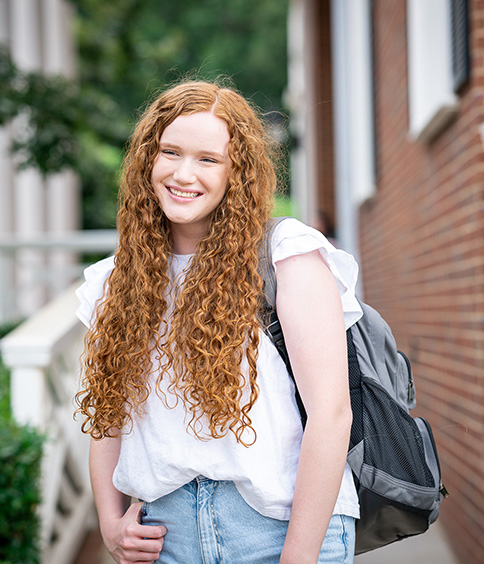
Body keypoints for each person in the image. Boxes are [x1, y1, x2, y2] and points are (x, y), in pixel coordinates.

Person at [74, 80, 363, 564]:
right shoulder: (113, 279)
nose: (184, 173)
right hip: (165, 538)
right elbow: (108, 417)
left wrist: (298, 557)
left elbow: (332, 417)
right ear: (148, 157)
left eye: (208, 159)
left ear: (238, 171)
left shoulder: (285, 255)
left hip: (282, 531)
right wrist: (109, 521)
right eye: (170, 151)